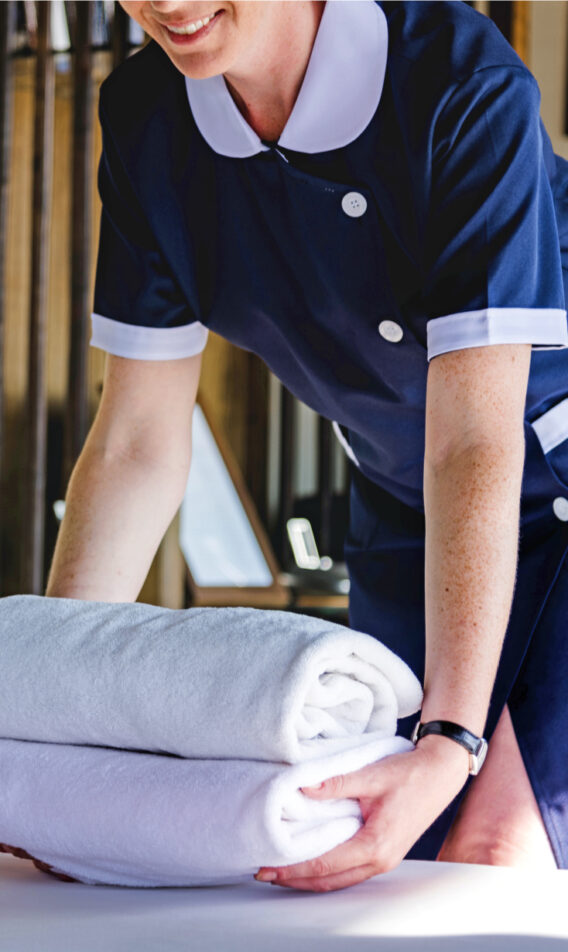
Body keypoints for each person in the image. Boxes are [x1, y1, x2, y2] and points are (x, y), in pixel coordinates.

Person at [46, 0, 568, 890]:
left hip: (530, 479)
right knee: (367, 846)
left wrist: (449, 738)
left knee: (490, 854)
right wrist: (45, 713)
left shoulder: (460, 90)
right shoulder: (147, 121)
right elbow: (135, 443)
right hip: (409, 517)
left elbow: (471, 442)